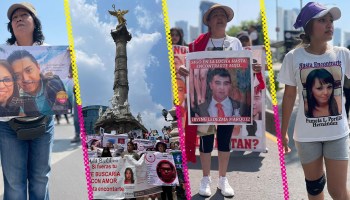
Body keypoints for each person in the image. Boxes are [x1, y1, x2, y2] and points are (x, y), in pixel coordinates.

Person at [277, 2, 350, 199]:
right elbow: (289, 96)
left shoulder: (343, 54)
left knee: (338, 191)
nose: (329, 24)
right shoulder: (293, 57)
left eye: (331, 20)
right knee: (315, 188)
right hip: (306, 136)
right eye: (323, 20)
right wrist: (283, 132)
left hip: (338, 133)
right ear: (309, 26)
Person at [184, 4, 247, 197]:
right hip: (206, 107)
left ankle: (222, 179)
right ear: (209, 22)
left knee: (225, 141)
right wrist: (183, 71)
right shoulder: (197, 45)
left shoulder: (235, 43)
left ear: (227, 21)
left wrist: (253, 68)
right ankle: (205, 179)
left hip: (227, 107)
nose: (219, 18)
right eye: (215, 15)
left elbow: (243, 71)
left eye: (223, 15)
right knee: (206, 142)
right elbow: (189, 73)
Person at [0, 3, 57, 199]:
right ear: (11, 26)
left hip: (43, 124)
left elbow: (61, 93)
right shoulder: (2, 54)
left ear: (35, 22)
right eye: (14, 17)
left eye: (24, 15)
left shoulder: (51, 53)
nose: (18, 19)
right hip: (9, 126)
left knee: (40, 180)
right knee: (14, 184)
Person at [7, 49, 70, 116]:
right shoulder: (13, 97)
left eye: (29, 70)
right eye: (17, 76)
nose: (25, 79)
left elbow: (65, 107)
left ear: (38, 67)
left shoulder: (54, 84)